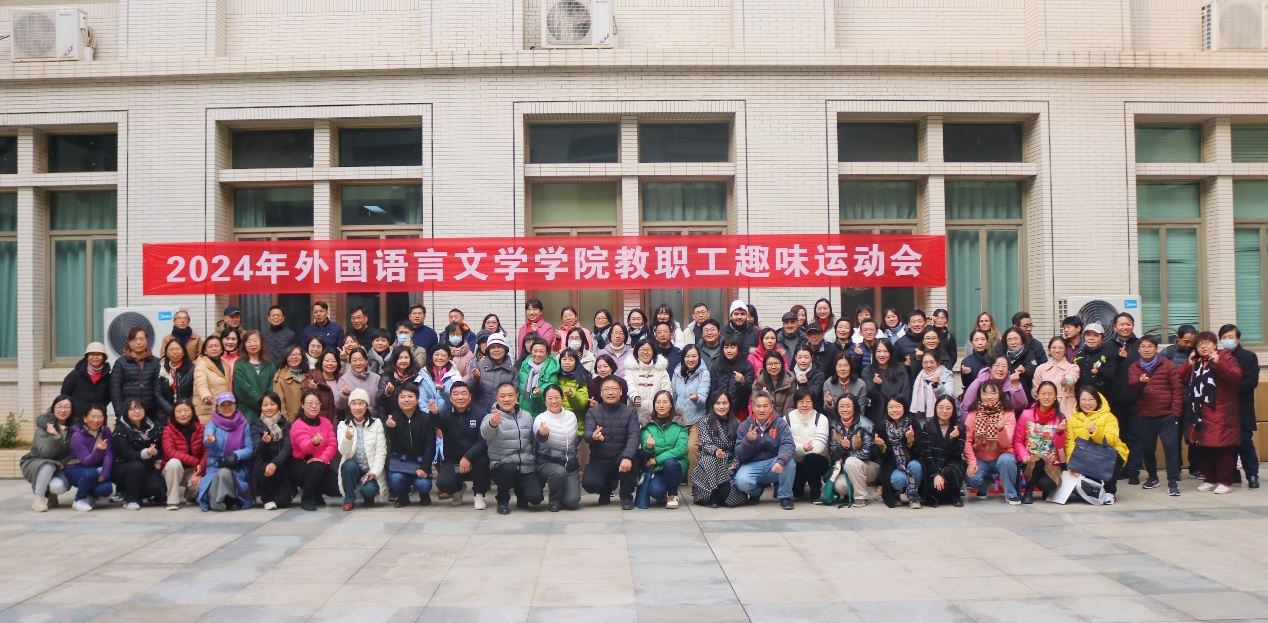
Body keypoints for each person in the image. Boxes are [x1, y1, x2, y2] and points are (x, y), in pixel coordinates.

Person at [1178, 332, 1244, 495]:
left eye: (1207, 343)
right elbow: (1180, 379)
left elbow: (1236, 376)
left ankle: (1225, 481)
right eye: (1200, 345)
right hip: (1199, 411)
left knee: (1222, 447)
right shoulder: (1197, 362)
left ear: (1215, 344)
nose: (1203, 347)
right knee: (1204, 447)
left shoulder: (1225, 356)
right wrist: (1188, 364)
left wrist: (1219, 362)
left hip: (1220, 410)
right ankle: (1210, 479)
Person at [1128, 335, 1184, 495]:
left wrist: (1175, 412)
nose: (1146, 349)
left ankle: (1172, 481)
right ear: (1139, 350)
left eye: (1150, 346)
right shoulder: (1134, 367)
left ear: (1156, 349)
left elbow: (1178, 389)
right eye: (1143, 347)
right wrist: (1141, 382)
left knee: (1170, 448)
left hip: (1167, 415)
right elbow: (1132, 386)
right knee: (1147, 449)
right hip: (1145, 415)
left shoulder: (1168, 365)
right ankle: (1152, 477)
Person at [481, 383, 543, 514]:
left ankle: (521, 492)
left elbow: (533, 441)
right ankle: (502, 499)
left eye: (510, 395)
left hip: (525, 466)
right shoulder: (491, 417)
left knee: (536, 498)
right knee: (509, 469)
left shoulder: (526, 416)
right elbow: (485, 434)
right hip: (502, 466)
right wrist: (492, 424)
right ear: (497, 398)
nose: (507, 399)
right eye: (502, 396)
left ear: (516, 397)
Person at [584, 377, 641, 509]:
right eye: (606, 389)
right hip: (600, 459)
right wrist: (593, 436)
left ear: (621, 392)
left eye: (614, 389)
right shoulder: (593, 412)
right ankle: (606, 489)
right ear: (601, 392)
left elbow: (634, 435)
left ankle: (626, 496)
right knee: (589, 483)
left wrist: (627, 456)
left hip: (621, 457)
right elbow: (587, 433)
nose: (610, 392)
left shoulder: (630, 412)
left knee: (632, 461)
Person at [734, 391, 797, 510]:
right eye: (758, 406)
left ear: (771, 407)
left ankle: (785, 497)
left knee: (789, 463)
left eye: (765, 406)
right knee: (741, 481)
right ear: (753, 408)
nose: (761, 410)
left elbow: (788, 444)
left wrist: (780, 461)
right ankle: (756, 492)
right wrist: (748, 440)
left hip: (774, 463)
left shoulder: (780, 423)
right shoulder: (745, 426)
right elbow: (740, 454)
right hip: (753, 464)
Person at [434, 382, 490, 511]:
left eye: (464, 393)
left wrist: (468, 457)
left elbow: (483, 441)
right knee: (443, 483)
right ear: (450, 398)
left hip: (475, 462)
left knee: (483, 463)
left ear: (470, 397)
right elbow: (437, 422)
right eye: (456, 394)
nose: (460, 397)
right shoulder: (445, 414)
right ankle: (457, 490)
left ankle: (479, 494)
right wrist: (434, 415)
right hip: (455, 465)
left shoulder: (481, 414)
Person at [1067, 387, 1128, 503]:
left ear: (1098, 400)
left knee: (1115, 456)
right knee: (1088, 489)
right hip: (1086, 456)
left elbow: (1112, 440)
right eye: (1084, 400)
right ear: (1078, 401)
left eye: (1091, 399)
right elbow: (1070, 444)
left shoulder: (1109, 417)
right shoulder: (1072, 420)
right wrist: (1072, 467)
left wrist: (1095, 433)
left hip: (1106, 453)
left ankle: (1110, 492)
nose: (1087, 403)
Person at [963, 381, 1021, 505]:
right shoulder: (973, 414)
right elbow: (967, 440)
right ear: (980, 395)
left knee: (1007, 460)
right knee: (971, 478)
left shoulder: (1008, 413)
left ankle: (1011, 494)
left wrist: (1001, 430)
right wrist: (972, 462)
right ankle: (985, 483)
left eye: (993, 393)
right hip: (981, 458)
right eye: (985, 393)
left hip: (1002, 455)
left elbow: (1006, 443)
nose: (989, 397)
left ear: (1000, 394)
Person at [691, 391, 749, 507]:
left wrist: (735, 463)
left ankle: (717, 494)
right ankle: (709, 497)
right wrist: (715, 451)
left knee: (726, 493)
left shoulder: (737, 423)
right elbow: (705, 443)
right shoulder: (704, 422)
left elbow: (739, 448)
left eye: (724, 403)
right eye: (717, 403)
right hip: (710, 461)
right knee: (709, 461)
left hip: (728, 464)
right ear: (712, 405)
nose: (721, 406)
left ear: (729, 404)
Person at [197, 393, 254, 511]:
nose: (226, 408)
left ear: (235, 405)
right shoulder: (212, 424)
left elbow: (249, 448)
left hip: (238, 465)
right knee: (219, 475)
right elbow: (207, 439)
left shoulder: (244, 424)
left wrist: (236, 455)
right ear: (217, 408)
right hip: (216, 465)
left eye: (230, 404)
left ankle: (231, 498)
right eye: (222, 405)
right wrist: (211, 440)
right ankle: (223, 499)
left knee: (225, 473)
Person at [1219, 324, 1260, 488]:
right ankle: (1232, 474)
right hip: (1223, 408)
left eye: (1230, 337)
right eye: (1224, 337)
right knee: (1227, 444)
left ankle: (1252, 475)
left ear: (1238, 339)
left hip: (1242, 406)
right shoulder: (1218, 357)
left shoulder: (1249, 357)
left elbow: (1251, 381)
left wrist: (1229, 392)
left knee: (1244, 441)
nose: (1227, 340)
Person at [384, 382, 437, 507]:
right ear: (397, 400)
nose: (406, 400)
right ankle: (403, 497)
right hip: (401, 462)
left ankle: (424, 495)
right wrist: (390, 429)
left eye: (410, 396)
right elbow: (392, 444)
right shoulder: (393, 418)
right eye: (402, 397)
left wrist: (425, 467)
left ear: (417, 399)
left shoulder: (426, 418)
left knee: (423, 485)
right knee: (396, 479)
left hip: (419, 461)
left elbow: (430, 445)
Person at [1013, 382, 1067, 504]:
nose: (1046, 397)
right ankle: (1028, 491)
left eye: (1050, 394)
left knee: (1050, 484)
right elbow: (1018, 440)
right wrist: (1023, 456)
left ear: (1055, 397)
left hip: (1051, 463)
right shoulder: (1026, 414)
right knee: (1038, 460)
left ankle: (1041, 487)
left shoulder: (1060, 418)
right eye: (1043, 394)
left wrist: (1059, 431)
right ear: (1038, 395)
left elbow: (1060, 446)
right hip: (1030, 460)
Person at [111, 398, 166, 510]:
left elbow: (160, 446)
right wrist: (146, 453)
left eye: (139, 408)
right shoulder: (120, 430)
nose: (137, 411)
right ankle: (131, 499)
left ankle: (137, 493)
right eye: (132, 409)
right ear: (126, 411)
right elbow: (127, 455)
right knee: (137, 466)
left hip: (146, 468)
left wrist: (157, 458)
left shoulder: (154, 427)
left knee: (158, 489)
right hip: (121, 468)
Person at [824, 394, 878, 507]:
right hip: (847, 467)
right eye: (842, 406)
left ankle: (861, 497)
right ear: (837, 408)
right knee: (840, 486)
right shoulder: (834, 425)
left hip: (869, 466)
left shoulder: (865, 424)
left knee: (851, 462)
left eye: (848, 406)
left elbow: (867, 453)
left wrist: (846, 455)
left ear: (855, 407)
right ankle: (854, 490)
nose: (845, 409)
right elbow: (833, 453)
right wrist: (842, 447)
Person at [22, 396, 75, 512]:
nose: (63, 410)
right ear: (53, 408)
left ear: (72, 410)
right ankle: (39, 498)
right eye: (59, 407)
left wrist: (63, 462)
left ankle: (51, 495)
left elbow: (74, 451)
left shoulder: (74, 428)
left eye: (67, 407)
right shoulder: (44, 426)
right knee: (48, 465)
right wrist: (54, 437)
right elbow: (46, 454)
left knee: (58, 487)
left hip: (59, 465)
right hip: (38, 462)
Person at [1107, 312, 1142, 483]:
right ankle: (1120, 468)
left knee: (1135, 435)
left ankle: (1134, 471)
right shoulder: (1108, 346)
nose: (1125, 327)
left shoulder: (1140, 345)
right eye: (1121, 324)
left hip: (1136, 398)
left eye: (1128, 324)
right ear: (1115, 327)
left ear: (1133, 326)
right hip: (1115, 399)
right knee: (1118, 436)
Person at [336, 388, 385, 511]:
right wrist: (347, 439)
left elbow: (381, 451)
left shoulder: (377, 423)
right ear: (350, 406)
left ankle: (368, 494)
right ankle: (349, 499)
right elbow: (343, 452)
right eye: (354, 404)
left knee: (369, 490)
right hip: (353, 468)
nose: (357, 407)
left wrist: (374, 472)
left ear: (366, 406)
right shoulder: (343, 425)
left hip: (370, 469)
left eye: (361, 403)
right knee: (348, 465)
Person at [289, 389, 338, 511]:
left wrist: (322, 459)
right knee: (316, 468)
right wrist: (313, 443)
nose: (314, 406)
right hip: (301, 464)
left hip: (321, 463)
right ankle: (307, 497)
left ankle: (317, 493)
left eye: (317, 403)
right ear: (302, 405)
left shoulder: (325, 422)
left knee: (336, 488)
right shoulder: (298, 424)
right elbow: (304, 446)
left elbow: (332, 444)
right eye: (310, 403)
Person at [639, 390, 689, 509]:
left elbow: (681, 449)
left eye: (665, 402)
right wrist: (649, 447)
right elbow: (646, 450)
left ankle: (673, 495)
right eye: (658, 402)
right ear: (654, 404)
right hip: (657, 468)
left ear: (671, 404)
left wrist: (657, 460)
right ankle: (664, 491)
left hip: (676, 465)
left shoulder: (680, 423)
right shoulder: (647, 424)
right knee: (656, 491)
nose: (661, 405)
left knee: (670, 463)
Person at [535, 385, 581, 512]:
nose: (554, 401)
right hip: (548, 464)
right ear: (545, 401)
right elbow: (539, 438)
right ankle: (554, 500)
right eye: (550, 398)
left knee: (572, 501)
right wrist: (542, 434)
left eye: (556, 397)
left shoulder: (571, 416)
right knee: (558, 472)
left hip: (570, 464)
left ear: (562, 398)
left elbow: (575, 440)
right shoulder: (541, 419)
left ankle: (564, 492)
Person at [874, 395, 923, 509]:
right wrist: (882, 446)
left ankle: (913, 497)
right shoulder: (882, 426)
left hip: (911, 464)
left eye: (898, 406)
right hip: (894, 467)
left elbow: (920, 452)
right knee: (898, 479)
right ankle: (896, 493)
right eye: (891, 407)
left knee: (916, 466)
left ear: (904, 407)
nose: (894, 410)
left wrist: (911, 441)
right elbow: (881, 457)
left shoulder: (913, 424)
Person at [250, 392, 293, 510]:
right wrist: (265, 443)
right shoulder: (256, 424)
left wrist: (275, 463)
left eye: (272, 404)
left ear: (278, 405)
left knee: (283, 501)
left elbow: (287, 447)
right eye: (265, 405)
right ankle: (266, 498)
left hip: (280, 463)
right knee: (264, 467)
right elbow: (257, 450)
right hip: (263, 462)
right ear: (261, 407)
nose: (269, 408)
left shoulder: (285, 424)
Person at [66, 405, 115, 511]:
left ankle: (89, 495)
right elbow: (86, 462)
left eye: (100, 417)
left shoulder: (106, 431)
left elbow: (109, 454)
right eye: (92, 417)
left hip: (95, 469)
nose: (96, 420)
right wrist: (98, 451)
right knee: (91, 473)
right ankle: (78, 500)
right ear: (85, 418)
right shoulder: (77, 436)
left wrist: (104, 474)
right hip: (75, 468)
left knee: (106, 488)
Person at [673, 344, 711, 476]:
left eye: (694, 356)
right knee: (677, 448)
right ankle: (679, 479)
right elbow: (674, 396)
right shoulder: (677, 373)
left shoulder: (704, 373)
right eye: (687, 356)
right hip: (679, 420)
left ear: (699, 357)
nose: (690, 359)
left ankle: (693, 482)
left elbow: (703, 397)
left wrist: (696, 398)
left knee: (692, 448)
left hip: (697, 419)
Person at [921, 395, 966, 508]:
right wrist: (936, 474)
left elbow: (957, 452)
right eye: (941, 407)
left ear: (953, 410)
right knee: (937, 490)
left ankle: (956, 496)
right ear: (936, 408)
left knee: (948, 471)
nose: (944, 411)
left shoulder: (959, 427)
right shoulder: (928, 427)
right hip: (934, 466)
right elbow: (927, 454)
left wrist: (952, 439)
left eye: (948, 408)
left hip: (952, 465)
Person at [785, 388, 829, 500]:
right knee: (796, 493)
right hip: (796, 461)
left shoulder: (821, 419)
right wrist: (802, 448)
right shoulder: (787, 419)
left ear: (813, 402)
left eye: (808, 401)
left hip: (817, 460)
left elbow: (819, 447)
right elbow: (786, 444)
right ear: (796, 403)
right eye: (801, 402)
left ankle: (816, 490)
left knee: (811, 459)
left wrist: (801, 449)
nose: (804, 405)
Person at [161, 399, 205, 510]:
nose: (183, 414)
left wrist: (200, 469)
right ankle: (172, 501)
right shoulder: (168, 430)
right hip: (174, 470)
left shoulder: (201, 429)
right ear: (174, 413)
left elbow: (207, 452)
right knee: (174, 463)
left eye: (186, 410)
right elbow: (169, 451)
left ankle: (190, 496)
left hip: (193, 471)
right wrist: (195, 462)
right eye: (179, 411)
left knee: (201, 484)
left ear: (193, 412)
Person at [111, 327, 160, 422]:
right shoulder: (120, 363)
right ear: (129, 342)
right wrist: (120, 414)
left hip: (152, 412)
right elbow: (115, 391)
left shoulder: (156, 362)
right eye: (134, 339)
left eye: (141, 339)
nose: (138, 342)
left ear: (147, 340)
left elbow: (161, 389)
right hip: (128, 411)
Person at [61, 342, 112, 424]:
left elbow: (109, 396)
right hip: (77, 419)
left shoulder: (108, 377)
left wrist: (100, 406)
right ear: (87, 357)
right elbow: (65, 393)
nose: (95, 357)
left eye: (98, 354)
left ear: (104, 357)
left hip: (98, 419)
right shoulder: (75, 374)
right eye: (92, 354)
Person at [862, 339, 909, 425]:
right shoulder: (867, 371)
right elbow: (870, 396)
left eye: (885, 351)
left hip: (898, 416)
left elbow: (905, 393)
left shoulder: (900, 369)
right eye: (879, 351)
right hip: (877, 417)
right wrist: (876, 386)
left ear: (890, 352)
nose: (882, 355)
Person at [624, 339, 672, 425]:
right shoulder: (631, 369)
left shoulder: (661, 369)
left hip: (657, 415)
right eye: (642, 349)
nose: (645, 352)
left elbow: (666, 389)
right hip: (635, 413)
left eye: (648, 349)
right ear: (636, 351)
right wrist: (635, 397)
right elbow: (630, 385)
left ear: (653, 351)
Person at [468, 334, 517, 417]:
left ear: (505, 349)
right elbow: (471, 390)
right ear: (488, 350)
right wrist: (476, 379)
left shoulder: (512, 371)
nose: (496, 350)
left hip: (504, 415)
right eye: (493, 347)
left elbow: (515, 394)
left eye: (499, 347)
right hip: (481, 414)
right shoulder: (479, 366)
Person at [962, 356, 1028, 416]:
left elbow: (1021, 406)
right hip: (980, 420)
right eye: (997, 365)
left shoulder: (1012, 381)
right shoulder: (980, 382)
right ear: (990, 368)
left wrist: (1015, 385)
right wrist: (969, 425)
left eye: (1004, 366)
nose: (1000, 369)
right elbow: (966, 407)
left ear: (1008, 370)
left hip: (1005, 420)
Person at [231, 330, 275, 421]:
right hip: (246, 413)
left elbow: (273, 386)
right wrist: (262, 404)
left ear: (261, 343)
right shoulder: (239, 364)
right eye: (248, 341)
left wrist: (267, 404)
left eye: (255, 340)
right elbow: (243, 388)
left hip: (268, 412)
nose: (252, 344)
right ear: (244, 344)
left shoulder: (270, 365)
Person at [1032, 337, 1080, 415]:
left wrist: (1066, 381)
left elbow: (1072, 378)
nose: (1057, 350)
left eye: (1060, 348)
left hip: (1067, 406)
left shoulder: (1072, 367)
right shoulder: (1041, 369)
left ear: (1066, 350)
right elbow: (1036, 390)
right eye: (1054, 347)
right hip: (1045, 406)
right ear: (1049, 349)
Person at [712, 338, 755, 420]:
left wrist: (743, 382)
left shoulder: (747, 366)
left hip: (738, 410)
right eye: (726, 347)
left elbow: (749, 391)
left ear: (738, 349)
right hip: (720, 408)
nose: (729, 350)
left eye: (732, 347)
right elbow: (712, 389)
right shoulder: (716, 366)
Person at [517, 337, 561, 417]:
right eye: (535, 351)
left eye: (541, 351)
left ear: (547, 353)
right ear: (531, 351)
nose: (538, 354)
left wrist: (538, 394)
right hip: (523, 413)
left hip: (542, 414)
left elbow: (548, 396)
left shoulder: (551, 370)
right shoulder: (524, 366)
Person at [335, 347, 381, 421]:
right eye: (354, 360)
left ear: (367, 361)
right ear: (350, 362)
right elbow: (339, 405)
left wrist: (387, 393)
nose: (358, 363)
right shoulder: (344, 379)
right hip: (353, 421)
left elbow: (381, 402)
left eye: (361, 360)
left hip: (375, 420)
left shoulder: (376, 378)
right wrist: (344, 394)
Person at [156, 339, 196, 425]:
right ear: (166, 353)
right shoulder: (161, 369)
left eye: (178, 349)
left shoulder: (192, 369)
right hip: (164, 414)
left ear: (184, 352)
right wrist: (172, 410)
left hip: (186, 413)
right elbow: (157, 393)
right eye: (171, 349)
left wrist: (184, 409)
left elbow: (194, 392)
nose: (174, 352)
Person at [998, 327, 1041, 403]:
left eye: (1016, 339)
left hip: (1024, 395)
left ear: (1022, 339)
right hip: (1005, 395)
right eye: (1009, 340)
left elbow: (1033, 369)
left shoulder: (1030, 352)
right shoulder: (1001, 354)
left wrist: (1024, 370)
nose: (1013, 342)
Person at [414, 343, 461, 415]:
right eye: (436, 355)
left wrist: (443, 391)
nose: (439, 358)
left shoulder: (455, 375)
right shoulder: (423, 374)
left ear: (448, 357)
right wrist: (432, 417)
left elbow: (456, 400)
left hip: (449, 416)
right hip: (428, 416)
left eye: (443, 355)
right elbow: (422, 401)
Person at [193, 335, 231, 424]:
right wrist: (206, 396)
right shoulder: (201, 364)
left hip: (222, 406)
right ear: (205, 350)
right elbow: (201, 383)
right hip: (206, 407)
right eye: (210, 346)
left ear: (221, 349)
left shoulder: (226, 366)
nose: (214, 348)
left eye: (217, 346)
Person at [909, 351, 954, 423]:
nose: (928, 365)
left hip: (942, 418)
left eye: (932, 362)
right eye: (925, 362)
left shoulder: (946, 375)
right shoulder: (919, 377)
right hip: (921, 419)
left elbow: (949, 397)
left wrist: (937, 385)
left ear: (938, 362)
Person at [1074, 322, 1117, 397]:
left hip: (1102, 396)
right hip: (1081, 396)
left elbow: (1111, 376)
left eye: (1096, 335)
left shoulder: (1109, 354)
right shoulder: (1079, 354)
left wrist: (1099, 371)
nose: (1091, 338)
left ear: (1102, 338)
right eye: (1088, 335)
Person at [556, 349, 591, 435]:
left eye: (571, 360)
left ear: (576, 362)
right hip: (556, 424)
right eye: (564, 359)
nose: (567, 362)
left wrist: (572, 395)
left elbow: (582, 404)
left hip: (575, 426)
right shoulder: (555, 377)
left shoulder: (581, 378)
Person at [753, 352, 796, 417]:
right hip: (765, 420)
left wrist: (781, 422)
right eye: (769, 364)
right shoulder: (758, 384)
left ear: (782, 364)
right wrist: (768, 398)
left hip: (785, 421)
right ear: (765, 366)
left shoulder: (790, 383)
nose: (773, 367)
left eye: (776, 363)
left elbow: (790, 409)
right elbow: (757, 409)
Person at [272, 345, 308, 420]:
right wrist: (286, 422)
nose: (294, 357)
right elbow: (280, 403)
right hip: (291, 420)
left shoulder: (309, 374)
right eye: (290, 355)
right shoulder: (280, 377)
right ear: (286, 358)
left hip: (308, 418)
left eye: (297, 354)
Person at [303, 350, 341, 421]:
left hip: (337, 421)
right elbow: (304, 398)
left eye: (333, 361)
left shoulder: (341, 379)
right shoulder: (313, 377)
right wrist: (312, 390)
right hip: (317, 421)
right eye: (327, 361)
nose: (330, 363)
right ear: (321, 362)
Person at [790, 345, 826, 412]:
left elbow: (813, 396)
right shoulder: (790, 374)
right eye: (800, 357)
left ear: (811, 358)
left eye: (806, 357)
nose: (803, 361)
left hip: (813, 410)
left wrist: (803, 385)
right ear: (795, 358)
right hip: (793, 411)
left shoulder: (818, 375)